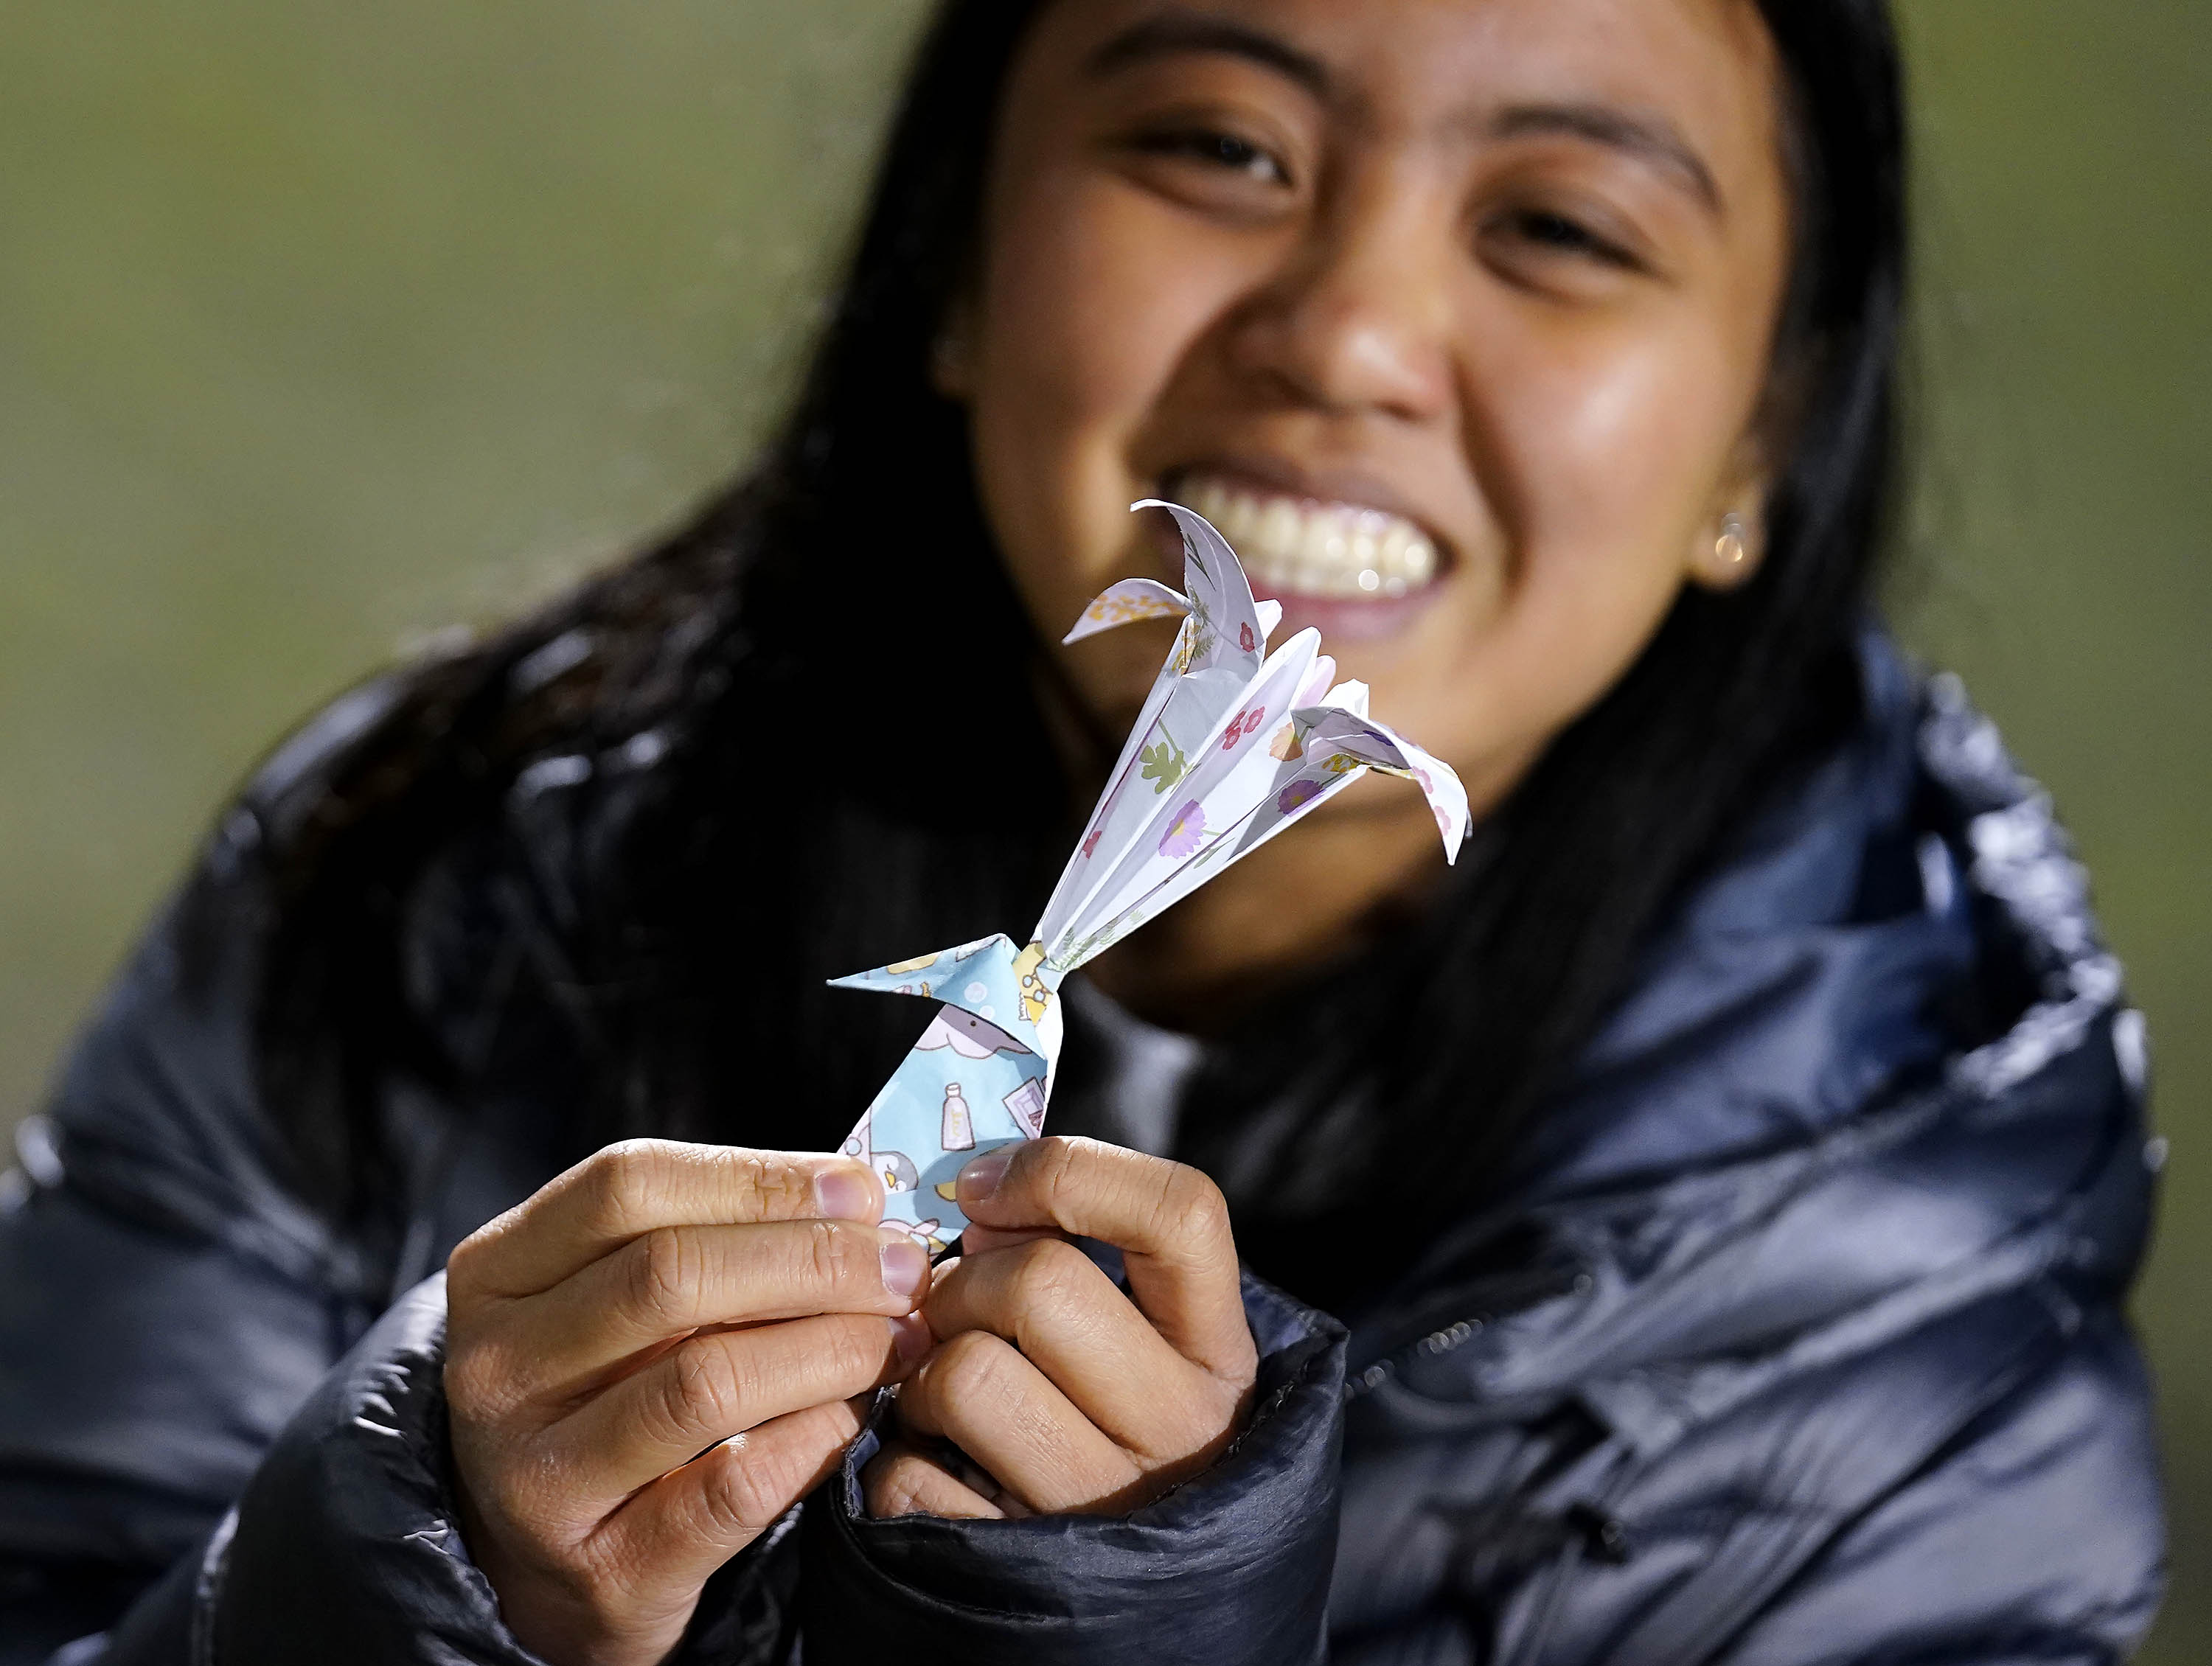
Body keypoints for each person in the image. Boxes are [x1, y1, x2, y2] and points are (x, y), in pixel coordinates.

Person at [0, 0, 2166, 1661]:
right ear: (954, 254)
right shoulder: (411, 896)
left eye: (1563, 229)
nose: (1350, 335)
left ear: (1765, 433)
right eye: (1219, 145)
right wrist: (393, 1586)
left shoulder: (1919, 1368)